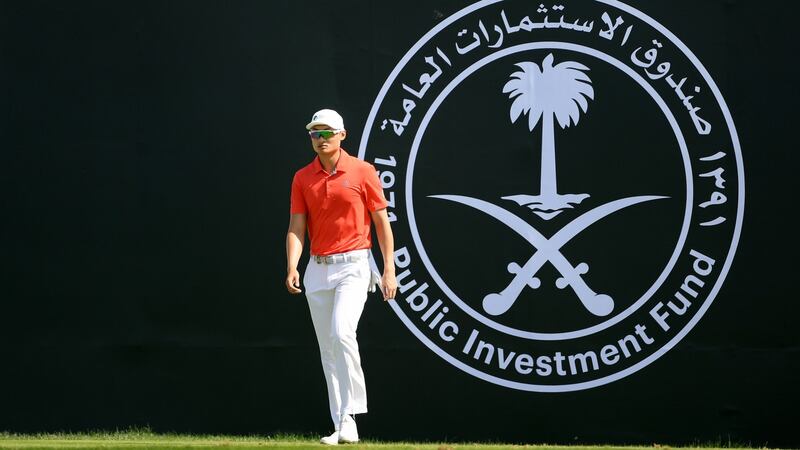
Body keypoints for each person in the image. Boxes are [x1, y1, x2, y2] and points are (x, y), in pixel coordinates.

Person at [285, 109, 397, 445]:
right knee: (328, 349)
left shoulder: (363, 172)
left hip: (355, 265)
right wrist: (292, 265)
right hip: (318, 269)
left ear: (342, 135)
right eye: (315, 134)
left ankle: (352, 412)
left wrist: (389, 269)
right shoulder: (302, 177)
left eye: (327, 133)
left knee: (341, 332)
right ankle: (342, 423)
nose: (321, 139)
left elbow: (381, 224)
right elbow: (296, 227)